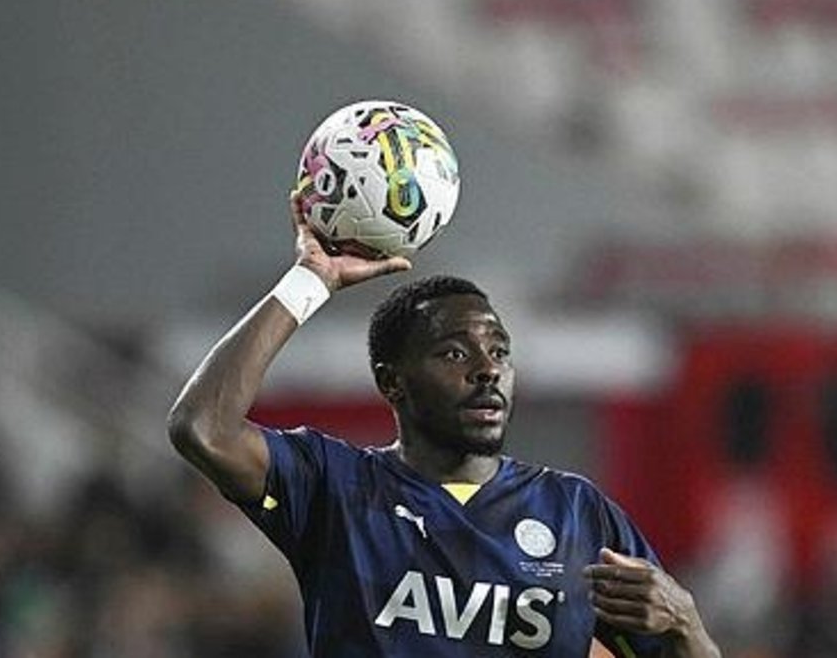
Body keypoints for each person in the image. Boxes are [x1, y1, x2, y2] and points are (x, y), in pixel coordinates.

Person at [168, 195, 720, 657]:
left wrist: (685, 624)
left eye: (499, 351)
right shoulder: (334, 486)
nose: (487, 370)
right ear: (392, 382)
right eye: (455, 354)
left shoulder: (577, 515)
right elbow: (202, 428)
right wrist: (310, 280)